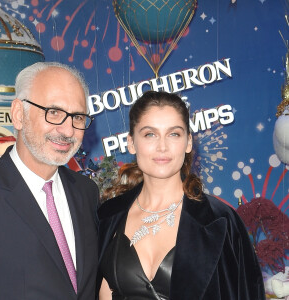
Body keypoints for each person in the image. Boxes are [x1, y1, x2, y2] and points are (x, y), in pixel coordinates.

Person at [97, 91, 266, 300]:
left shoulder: (221, 222)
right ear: (131, 142)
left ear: (188, 142)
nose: (162, 146)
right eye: (150, 134)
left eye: (174, 134)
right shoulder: (108, 216)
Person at [0, 62, 99, 299]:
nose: (68, 130)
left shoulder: (86, 193)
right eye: (54, 113)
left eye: (77, 117)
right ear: (19, 114)